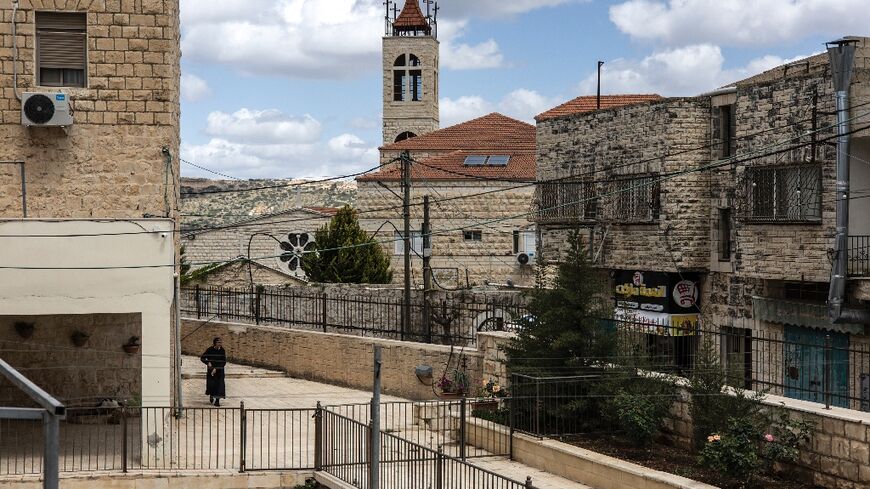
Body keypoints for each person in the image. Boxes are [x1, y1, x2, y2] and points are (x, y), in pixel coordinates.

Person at [200, 337, 226, 407]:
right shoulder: (210, 349)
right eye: (218, 342)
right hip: (211, 370)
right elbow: (202, 357)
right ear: (215, 343)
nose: (220, 344)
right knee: (211, 385)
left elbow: (224, 362)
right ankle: (211, 395)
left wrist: (216, 369)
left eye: (220, 342)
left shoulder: (222, 351)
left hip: (220, 371)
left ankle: (217, 401)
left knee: (219, 386)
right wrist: (208, 362)